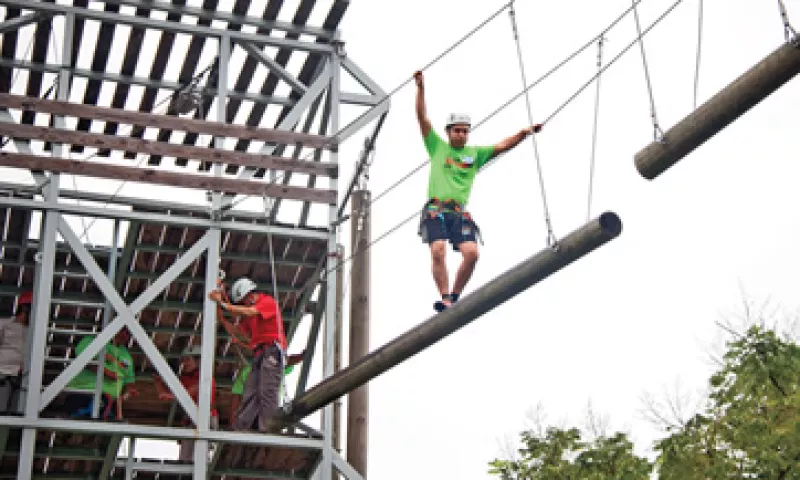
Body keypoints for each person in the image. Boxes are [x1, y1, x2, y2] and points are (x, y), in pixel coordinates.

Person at [413, 70, 544, 312]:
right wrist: (420, 89)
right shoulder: (437, 147)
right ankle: (443, 296)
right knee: (438, 249)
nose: (461, 134)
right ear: (448, 132)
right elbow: (422, 118)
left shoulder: (475, 154)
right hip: (436, 209)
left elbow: (502, 146)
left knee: (472, 254)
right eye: (457, 130)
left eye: (465, 131)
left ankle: (454, 296)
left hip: (458, 211)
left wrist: (524, 133)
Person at [208, 276, 287, 433]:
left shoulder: (267, 302)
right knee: (251, 391)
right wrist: (220, 314)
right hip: (260, 353)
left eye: (244, 300)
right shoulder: (250, 311)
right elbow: (240, 331)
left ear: (250, 295)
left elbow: (250, 312)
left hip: (272, 351)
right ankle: (242, 426)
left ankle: (270, 427)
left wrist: (224, 305)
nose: (243, 304)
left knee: (267, 390)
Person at [153, 344, 219, 462]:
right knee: (185, 459)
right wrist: (158, 382)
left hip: (206, 419)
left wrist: (171, 394)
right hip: (190, 420)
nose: (184, 363)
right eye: (183, 360)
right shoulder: (184, 379)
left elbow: (189, 392)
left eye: (188, 360)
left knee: (200, 458)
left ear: (199, 361)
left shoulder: (206, 378)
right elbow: (164, 396)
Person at [64, 328, 138, 420]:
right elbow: (84, 361)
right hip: (85, 394)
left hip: (109, 402)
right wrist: (106, 373)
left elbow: (129, 380)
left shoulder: (126, 355)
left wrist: (130, 389)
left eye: (128, 332)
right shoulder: (92, 340)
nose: (125, 335)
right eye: (122, 330)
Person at [229, 348, 305, 429]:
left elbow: (236, 396)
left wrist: (233, 420)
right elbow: (236, 396)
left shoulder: (249, 370)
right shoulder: (250, 370)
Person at [0, 290, 31, 413]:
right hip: (3, 372)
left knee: (17, 412)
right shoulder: (4, 324)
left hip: (24, 376)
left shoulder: (35, 328)